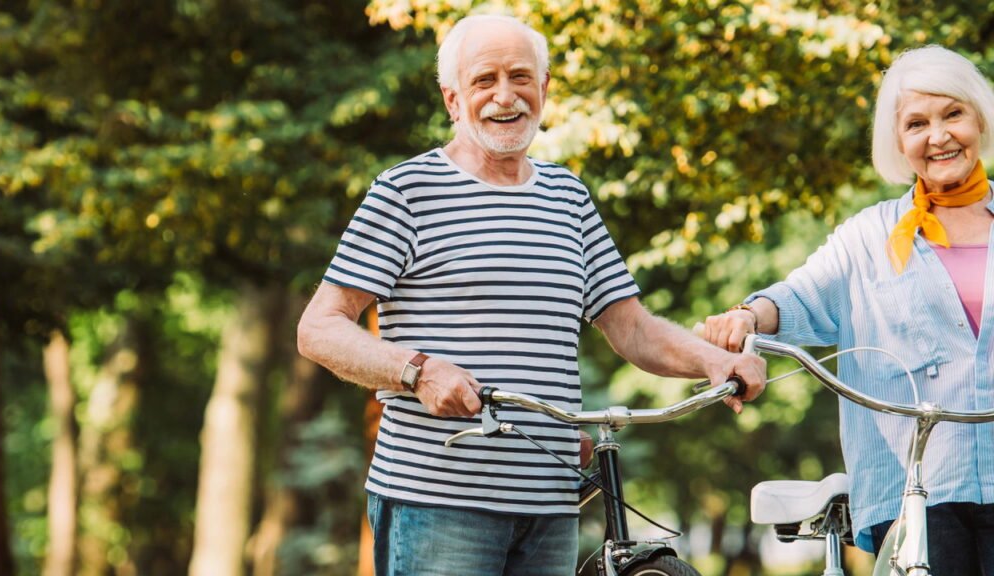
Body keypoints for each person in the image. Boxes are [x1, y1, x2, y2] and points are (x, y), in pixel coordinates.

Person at [296, 13, 766, 576]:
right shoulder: (406, 192)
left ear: (543, 90)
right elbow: (319, 328)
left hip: (549, 504)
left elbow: (631, 327)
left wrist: (716, 360)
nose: (504, 96)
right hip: (438, 505)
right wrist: (416, 371)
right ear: (452, 100)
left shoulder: (569, 197)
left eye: (520, 77)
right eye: (483, 81)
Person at [701, 45, 994, 572]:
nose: (939, 136)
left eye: (953, 113)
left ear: (979, 117)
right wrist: (747, 315)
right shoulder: (868, 237)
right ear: (898, 141)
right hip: (917, 493)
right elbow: (798, 295)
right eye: (917, 123)